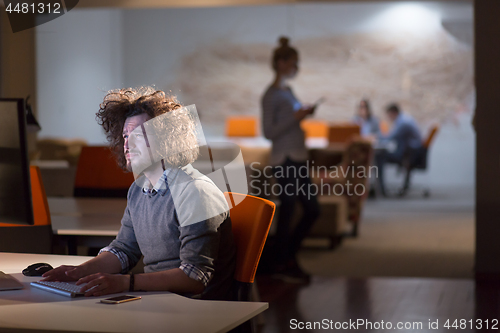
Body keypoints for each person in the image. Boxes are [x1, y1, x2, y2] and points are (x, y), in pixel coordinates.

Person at [42, 87, 236, 300]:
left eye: (139, 135)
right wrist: (78, 272)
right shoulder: (139, 189)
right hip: (157, 300)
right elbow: (124, 251)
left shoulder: (195, 191)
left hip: (195, 312)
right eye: (125, 135)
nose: (127, 144)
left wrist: (126, 282)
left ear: (167, 140)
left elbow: (195, 277)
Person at [261, 37, 320, 283]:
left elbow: (291, 120)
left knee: (309, 210)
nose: (297, 67)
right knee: (291, 210)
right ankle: (283, 260)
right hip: (284, 160)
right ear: (281, 63)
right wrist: (296, 117)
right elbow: (269, 132)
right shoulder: (271, 95)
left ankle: (285, 257)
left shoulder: (287, 91)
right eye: (294, 62)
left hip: (296, 157)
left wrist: (303, 114)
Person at [375, 103, 423, 197]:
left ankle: (381, 190)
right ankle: (380, 188)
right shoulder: (405, 119)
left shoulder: (403, 123)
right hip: (410, 153)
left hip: (409, 155)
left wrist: (375, 137)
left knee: (379, 156)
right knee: (381, 154)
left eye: (389, 115)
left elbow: (390, 138)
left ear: (393, 113)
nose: (389, 118)